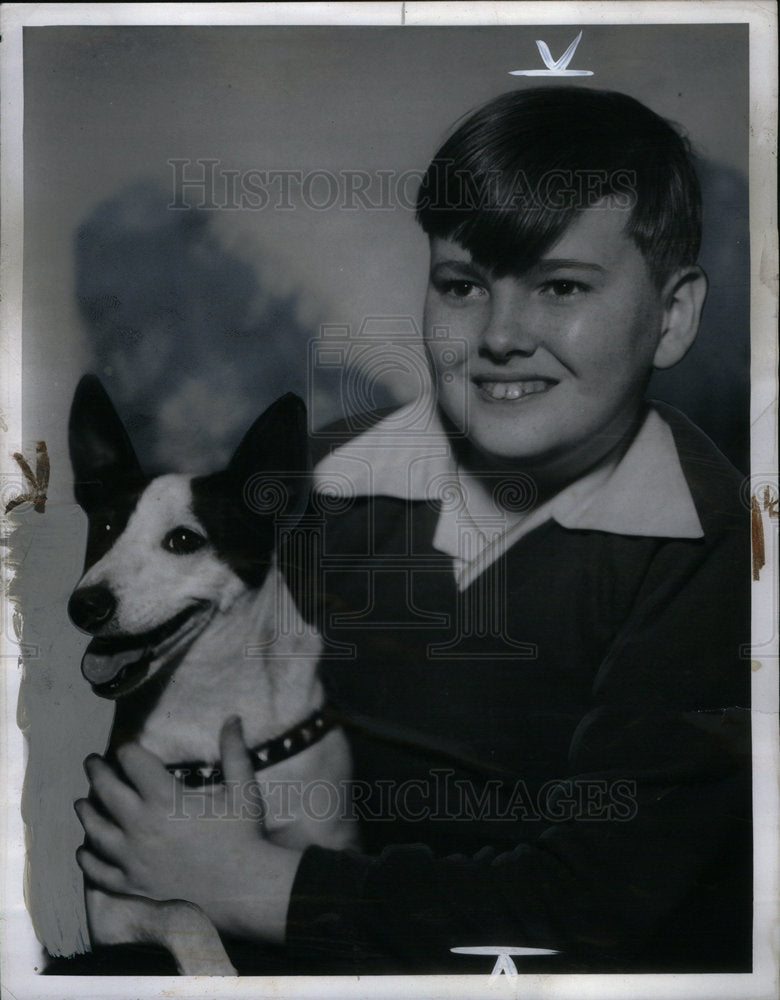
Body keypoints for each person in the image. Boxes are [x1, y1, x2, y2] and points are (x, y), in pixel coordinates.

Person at [75, 87, 752, 975]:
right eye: (463, 286)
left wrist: (259, 884)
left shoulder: (707, 548)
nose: (502, 336)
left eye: (560, 286)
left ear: (672, 317)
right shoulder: (310, 492)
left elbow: (593, 909)